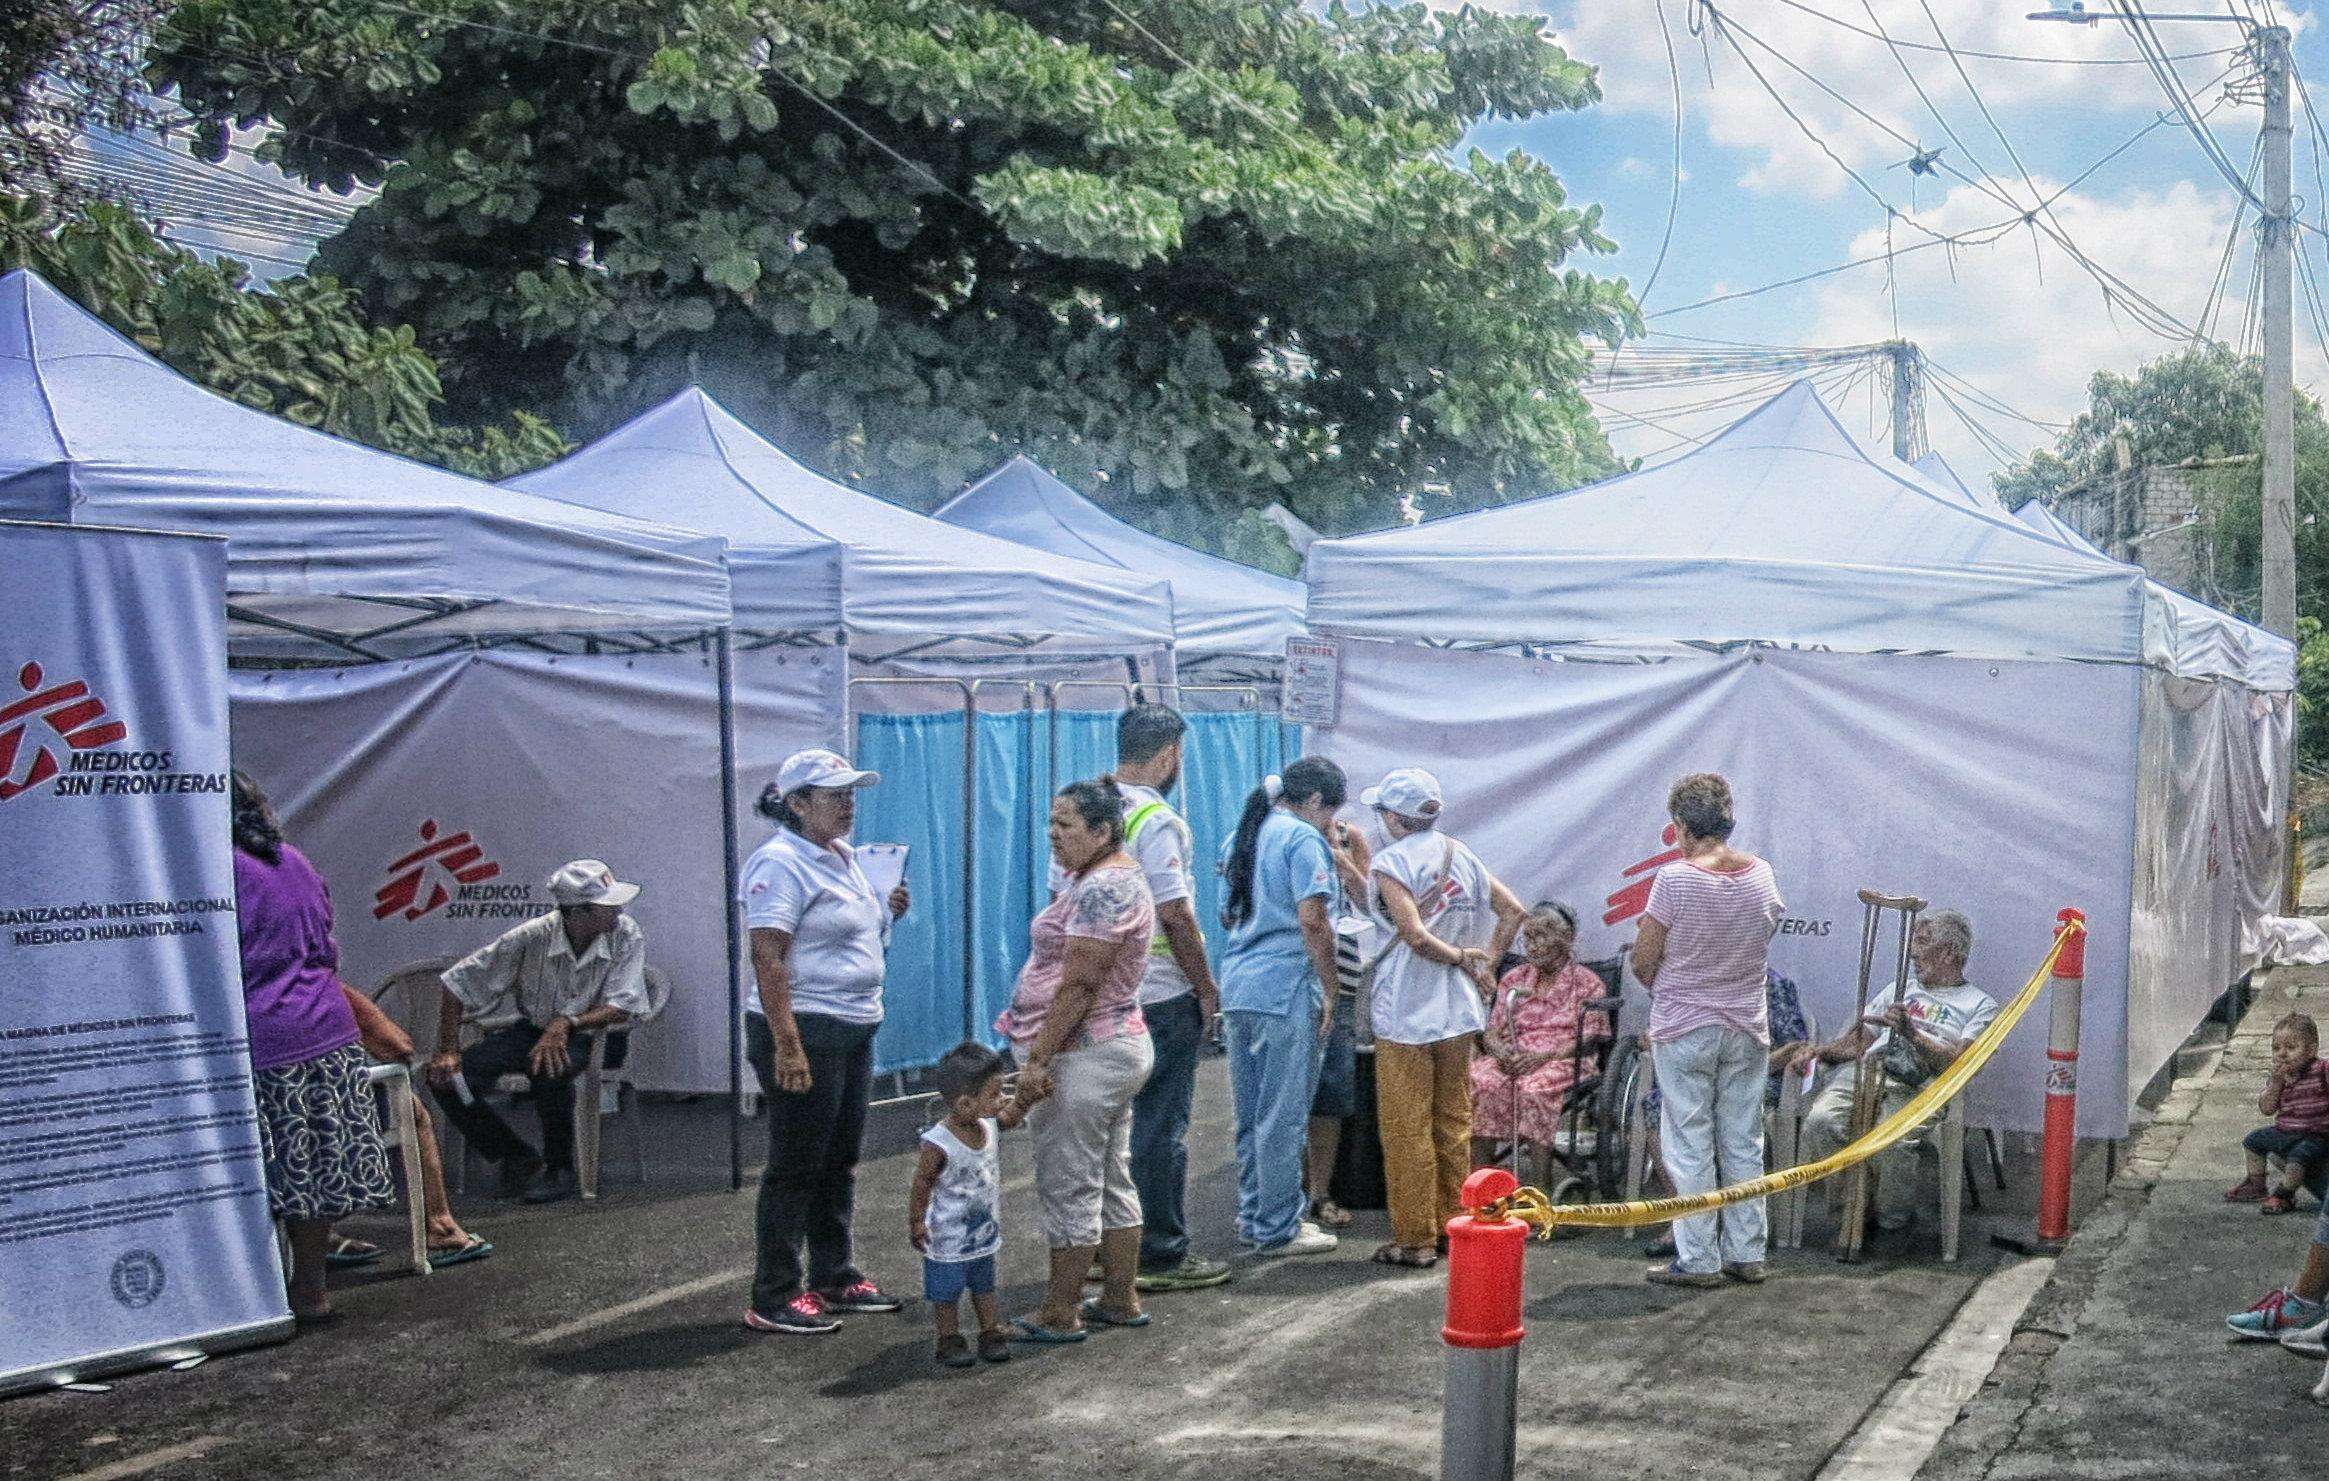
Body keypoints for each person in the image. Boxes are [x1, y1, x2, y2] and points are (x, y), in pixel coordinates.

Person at [738, 748, 911, 1336]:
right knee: (796, 1163)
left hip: (853, 1023)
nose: (848, 803)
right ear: (796, 803)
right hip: (805, 1028)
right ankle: (775, 1294)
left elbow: (848, 939)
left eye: (851, 792)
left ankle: (834, 1275)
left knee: (837, 1158)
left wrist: (888, 912)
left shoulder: (841, 856)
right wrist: (788, 1044)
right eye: (834, 793)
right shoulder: (780, 862)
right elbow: (767, 955)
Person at [1071, 705, 1232, 1293]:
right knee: (1161, 1127)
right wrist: (1206, 986)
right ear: (1169, 755)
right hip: (1157, 994)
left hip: (1093, 990)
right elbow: (1177, 914)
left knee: (1102, 1126)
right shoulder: (1156, 820)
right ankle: (1158, 1251)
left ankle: (1093, 1246)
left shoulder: (1082, 809)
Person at [229, 771, 394, 1324]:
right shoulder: (293, 861)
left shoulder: (215, 871)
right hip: (327, 1028)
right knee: (314, 1171)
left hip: (266, 1035)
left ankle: (255, 1294)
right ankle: (311, 1289)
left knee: (267, 1171)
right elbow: (326, 943)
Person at [998, 778, 1157, 1343]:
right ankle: (1119, 1297)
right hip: (1106, 1048)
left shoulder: (1104, 887)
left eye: (1064, 825)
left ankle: (1060, 1312)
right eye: (1052, 821)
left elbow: (1081, 983)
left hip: (1085, 1052)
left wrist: (1039, 1058)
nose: (1053, 835)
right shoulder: (1099, 880)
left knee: (1071, 1182)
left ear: (1102, 830)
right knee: (1111, 1175)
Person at [1362, 767, 1525, 1269]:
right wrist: (1486, 962)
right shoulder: (1463, 855)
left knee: (1406, 1125)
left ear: (1394, 816)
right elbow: (1514, 911)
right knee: (1454, 1121)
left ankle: (1415, 1238)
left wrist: (1458, 957)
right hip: (1457, 1010)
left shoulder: (1392, 863)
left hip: (1407, 1008)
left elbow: (1411, 933)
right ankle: (1457, 1223)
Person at [1631, 772, 1784, 1289]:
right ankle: (1748, 1251)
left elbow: (1644, 961)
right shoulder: (1762, 874)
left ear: (1679, 826)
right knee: (1744, 1138)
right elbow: (1764, 934)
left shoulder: (1674, 880)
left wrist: (1670, 981)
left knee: (1689, 1142)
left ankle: (1697, 1259)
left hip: (1685, 1024)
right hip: (1746, 1023)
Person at [429, 859, 649, 1206]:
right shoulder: (533, 936)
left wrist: (568, 1023)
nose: (619, 910)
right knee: (450, 1081)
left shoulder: (625, 932)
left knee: (550, 1067)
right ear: (580, 913)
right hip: (533, 1028)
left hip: (594, 1034)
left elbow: (623, 1004)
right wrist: (448, 1049)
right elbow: (457, 983)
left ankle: (559, 1166)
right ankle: (513, 1154)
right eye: (609, 906)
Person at [1782, 909, 1997, 1240]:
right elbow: (1860, 1040)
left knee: (1891, 1141)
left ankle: (1891, 1221)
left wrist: (1914, 1034)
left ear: (1949, 953)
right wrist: (1819, 1051)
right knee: (1821, 1123)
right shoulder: (1900, 986)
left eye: (1923, 942)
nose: (1912, 951)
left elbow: (1961, 1062)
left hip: (1923, 1083)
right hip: (1869, 1067)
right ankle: (1852, 1210)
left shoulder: (1980, 1004)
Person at [1218, 757, 1351, 1259]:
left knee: (1252, 1114)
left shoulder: (1245, 835)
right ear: (1315, 801)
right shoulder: (1301, 839)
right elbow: (1314, 921)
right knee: (1283, 1115)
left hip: (1241, 986)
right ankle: (1278, 1227)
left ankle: (1256, 1216)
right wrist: (1332, 988)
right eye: (1330, 812)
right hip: (1286, 987)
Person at [333, 985, 491, 1270]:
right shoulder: (316, 980)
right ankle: (441, 1225)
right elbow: (397, 1047)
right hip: (330, 1106)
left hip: (269, 1108)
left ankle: (317, 1236)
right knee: (412, 1110)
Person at [908, 1042, 1043, 1367]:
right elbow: (923, 1181)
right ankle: (949, 1338)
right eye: (995, 1094)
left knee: (984, 1286)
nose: (1001, 1100)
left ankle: (989, 1331)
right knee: (946, 1292)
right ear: (966, 1103)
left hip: (983, 1233)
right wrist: (916, 1221)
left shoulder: (987, 1125)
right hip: (948, 1238)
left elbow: (1010, 1117)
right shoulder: (939, 1142)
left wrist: (1027, 1099)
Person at [1468, 902, 1614, 1168]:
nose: (1533, 945)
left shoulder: (1587, 984)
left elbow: (1591, 1038)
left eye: (1541, 936)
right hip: (1513, 1056)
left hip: (1564, 1059)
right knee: (1481, 1081)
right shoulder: (1515, 979)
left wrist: (1543, 1057)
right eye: (1528, 937)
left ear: (1566, 939)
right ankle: (1483, 1187)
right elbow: (1492, 1032)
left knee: (1533, 1089)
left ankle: (1539, 1189)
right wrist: (1500, 1052)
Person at [2225, 1013, 2329, 1214]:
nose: (2282, 1054)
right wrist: (2276, 1084)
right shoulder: (2278, 1078)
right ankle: (2256, 1184)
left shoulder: (2321, 1069)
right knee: (2253, 1141)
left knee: (2298, 1158)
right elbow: (2266, 1108)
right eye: (2276, 1048)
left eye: (2291, 1048)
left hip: (2315, 1134)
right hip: (2285, 1131)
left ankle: (2285, 1195)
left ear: (2311, 1050)